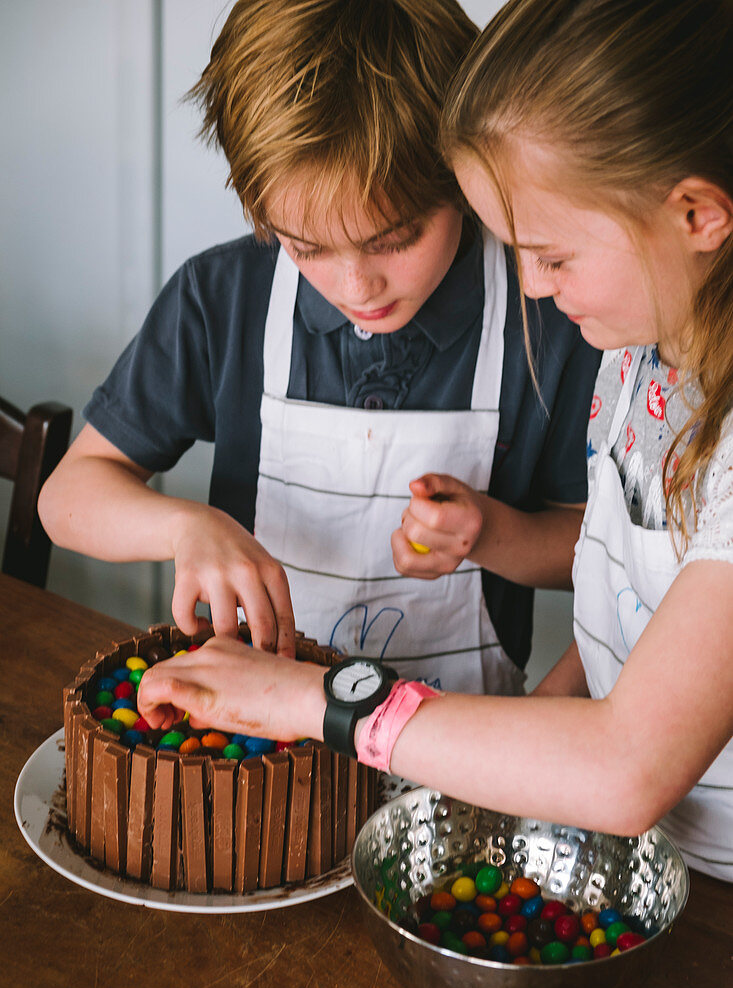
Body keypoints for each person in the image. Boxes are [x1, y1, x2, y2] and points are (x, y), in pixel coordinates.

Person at [136, 0, 733, 882]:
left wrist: (316, 700)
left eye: (553, 256)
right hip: (628, 851)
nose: (531, 285)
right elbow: (629, 619)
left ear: (695, 216)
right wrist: (522, 741)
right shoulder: (642, 353)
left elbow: (626, 765)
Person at [38, 0, 598, 697]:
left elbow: (597, 550)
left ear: (463, 174)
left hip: (459, 744)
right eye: (307, 247)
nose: (356, 284)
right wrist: (186, 527)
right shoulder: (223, 299)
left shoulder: (547, 310)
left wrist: (490, 535)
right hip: (258, 741)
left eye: (394, 239)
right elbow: (65, 498)